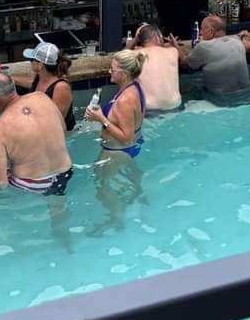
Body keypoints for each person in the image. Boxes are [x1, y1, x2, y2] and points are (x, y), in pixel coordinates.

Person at [85, 52, 146, 227]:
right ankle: (138, 195)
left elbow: (126, 138)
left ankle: (118, 220)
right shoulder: (136, 87)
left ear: (124, 73)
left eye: (112, 69)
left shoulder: (125, 100)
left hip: (117, 151)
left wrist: (101, 119)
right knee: (132, 177)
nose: (109, 71)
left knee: (102, 188)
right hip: (131, 147)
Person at [170, 15, 250, 105]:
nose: (200, 32)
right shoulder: (237, 42)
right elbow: (240, 36)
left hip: (221, 99)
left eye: (202, 29)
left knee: (188, 89)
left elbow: (185, 64)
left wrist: (175, 45)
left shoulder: (204, 47)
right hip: (248, 96)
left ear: (211, 31)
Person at [10, 42, 76, 131]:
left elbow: (56, 124)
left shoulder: (61, 88)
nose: (30, 62)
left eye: (31, 60)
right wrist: (9, 79)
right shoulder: (40, 77)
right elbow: (31, 84)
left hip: (63, 136)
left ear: (40, 65)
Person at [127, 23, 182, 112]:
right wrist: (174, 44)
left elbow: (119, 58)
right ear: (157, 38)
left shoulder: (134, 54)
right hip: (174, 106)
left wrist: (136, 38)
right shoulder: (173, 52)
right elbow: (184, 59)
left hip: (149, 108)